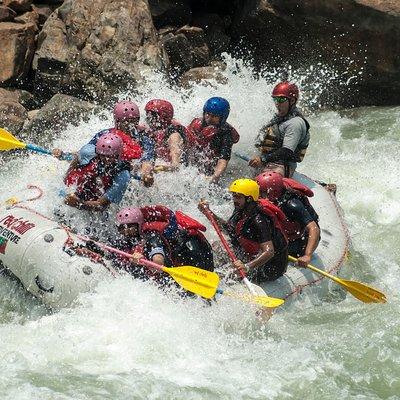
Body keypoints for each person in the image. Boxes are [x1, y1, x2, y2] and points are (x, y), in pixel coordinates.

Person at [198, 178, 288, 283]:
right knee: (217, 247)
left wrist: (246, 267)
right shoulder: (241, 209)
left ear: (249, 199)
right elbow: (230, 230)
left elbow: (269, 252)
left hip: (271, 266)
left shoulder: (259, 220)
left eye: (238, 197)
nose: (234, 200)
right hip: (250, 253)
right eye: (234, 196)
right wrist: (208, 213)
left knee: (230, 274)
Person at [53, 101, 155, 187]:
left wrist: (145, 175)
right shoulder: (105, 136)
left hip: (126, 174)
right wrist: (63, 155)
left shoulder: (144, 140)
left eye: (133, 121)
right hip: (104, 171)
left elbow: (147, 161)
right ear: (117, 121)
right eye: (126, 121)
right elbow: (86, 154)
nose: (130, 125)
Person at [111, 205, 214, 280]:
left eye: (129, 227)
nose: (125, 231)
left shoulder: (152, 235)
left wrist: (141, 260)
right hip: (198, 250)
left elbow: (158, 265)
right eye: (122, 228)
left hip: (194, 259)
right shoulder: (151, 230)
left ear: (138, 224)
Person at [256, 171, 320, 267]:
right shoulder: (268, 200)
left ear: (273, 192)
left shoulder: (292, 205)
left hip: (300, 241)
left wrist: (307, 255)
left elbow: (313, 228)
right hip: (284, 236)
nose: (258, 196)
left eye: (262, 192)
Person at [249, 81, 310, 178]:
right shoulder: (278, 119)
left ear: (292, 101)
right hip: (267, 162)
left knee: (265, 183)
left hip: (282, 167)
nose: (277, 103)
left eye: (281, 99)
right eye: (275, 99)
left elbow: (287, 151)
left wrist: (263, 159)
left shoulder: (295, 123)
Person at [63, 133, 131, 211]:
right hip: (83, 191)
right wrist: (65, 179)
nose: (105, 159)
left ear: (117, 155)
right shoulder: (87, 152)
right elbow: (76, 160)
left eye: (109, 156)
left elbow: (101, 205)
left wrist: (78, 204)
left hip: (99, 208)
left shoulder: (123, 176)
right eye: (102, 155)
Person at [187, 97, 240, 184]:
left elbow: (223, 160)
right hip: (194, 160)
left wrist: (214, 177)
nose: (209, 118)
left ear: (223, 117)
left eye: (214, 116)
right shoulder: (196, 123)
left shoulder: (226, 133)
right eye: (208, 114)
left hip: (211, 167)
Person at [144, 99, 187, 171]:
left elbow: (176, 166)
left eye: (152, 116)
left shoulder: (174, 135)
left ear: (163, 117)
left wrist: (164, 168)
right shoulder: (152, 131)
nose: (148, 119)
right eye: (147, 115)